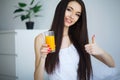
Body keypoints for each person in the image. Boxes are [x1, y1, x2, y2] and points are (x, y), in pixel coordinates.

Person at [34, 0, 115, 80]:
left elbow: (111, 64)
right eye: (69, 10)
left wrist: (100, 51)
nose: (72, 16)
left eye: (77, 14)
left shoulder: (79, 39)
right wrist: (43, 57)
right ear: (60, 9)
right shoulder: (43, 38)